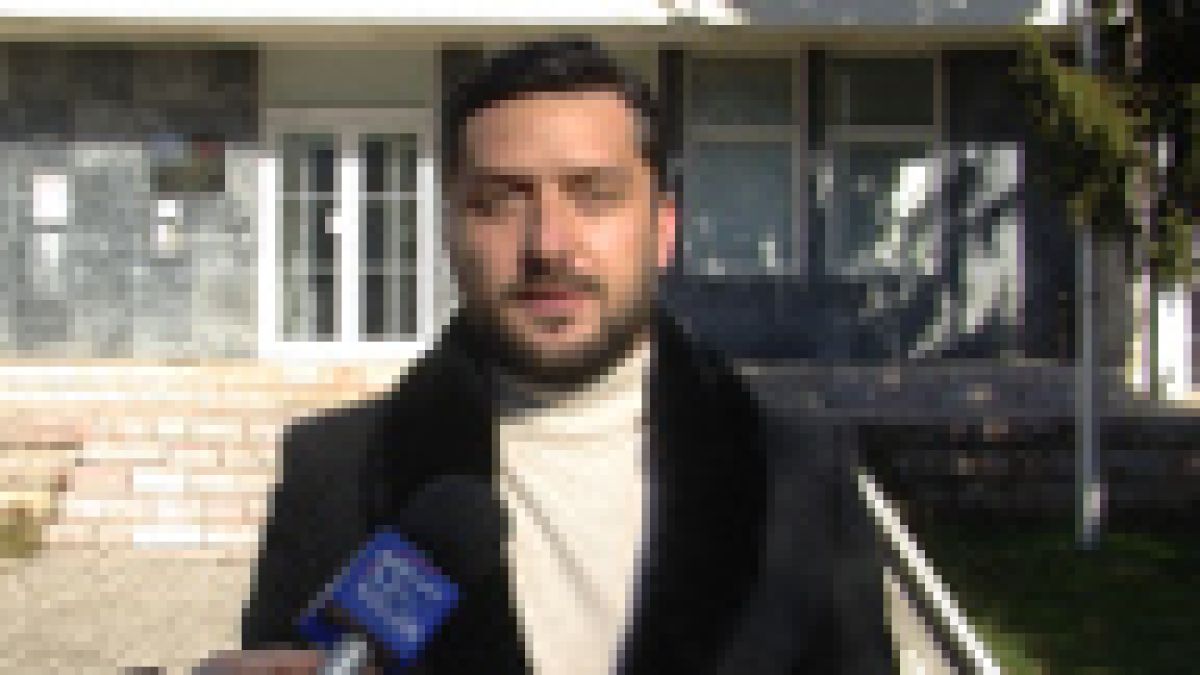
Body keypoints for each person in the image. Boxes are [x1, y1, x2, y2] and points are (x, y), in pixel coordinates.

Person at [213, 39, 894, 674]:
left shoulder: (797, 472)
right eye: (499, 202)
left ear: (663, 229)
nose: (547, 244)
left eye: (594, 195)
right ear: (450, 233)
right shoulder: (333, 472)